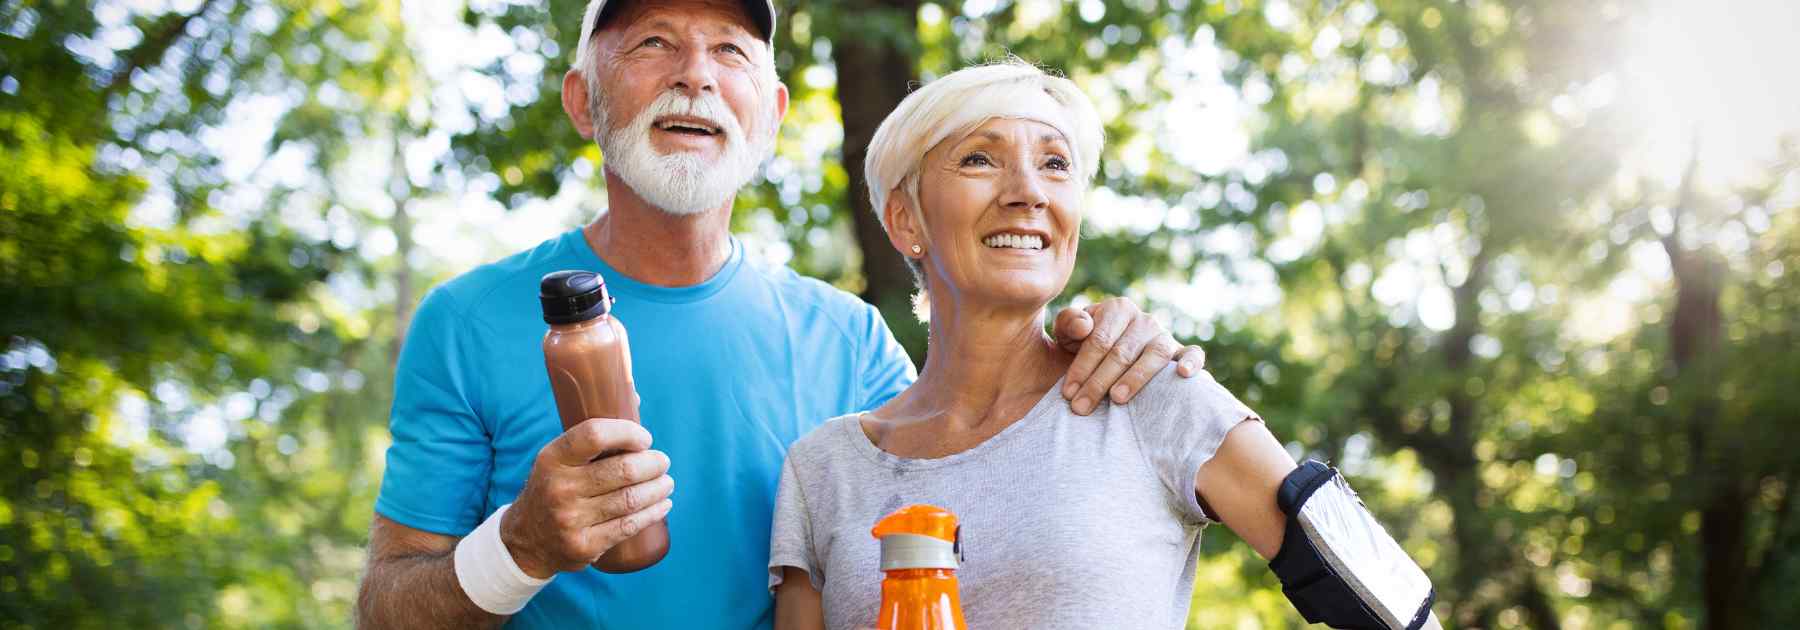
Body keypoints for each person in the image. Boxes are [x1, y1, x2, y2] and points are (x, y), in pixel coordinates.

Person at [353, 2, 1207, 628]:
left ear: (771, 113)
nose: (696, 73)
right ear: (583, 101)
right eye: (654, 42)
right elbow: (385, 610)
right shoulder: (466, 321)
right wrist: (522, 547)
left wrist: (1098, 344)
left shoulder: (854, 341)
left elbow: (969, 540)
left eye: (730, 49)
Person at [769, 60, 1441, 630]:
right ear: (905, 218)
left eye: (1055, 165)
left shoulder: (1148, 393)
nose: (1028, 191)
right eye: (979, 158)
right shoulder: (825, 470)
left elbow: (1392, 602)